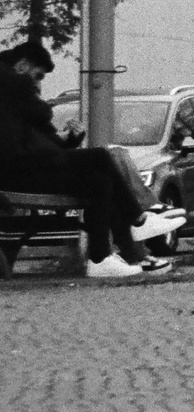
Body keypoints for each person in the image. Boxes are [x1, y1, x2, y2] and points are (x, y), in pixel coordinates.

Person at [0, 41, 180, 279]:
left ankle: (101, 258)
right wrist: (36, 103)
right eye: (38, 76)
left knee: (99, 181)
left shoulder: (14, 93)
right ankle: (138, 222)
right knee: (102, 156)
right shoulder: (9, 81)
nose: (38, 84)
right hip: (16, 171)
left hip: (31, 166)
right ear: (22, 65)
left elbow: (43, 137)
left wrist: (71, 139)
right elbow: (43, 114)